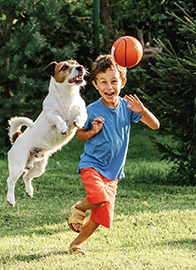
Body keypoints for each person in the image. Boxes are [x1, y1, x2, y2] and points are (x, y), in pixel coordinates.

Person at [67, 55, 160, 255]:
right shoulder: (91, 110)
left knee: (101, 217)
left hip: (113, 173)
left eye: (114, 81)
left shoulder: (128, 107)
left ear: (123, 82)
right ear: (95, 85)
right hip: (92, 165)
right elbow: (80, 135)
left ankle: (76, 244)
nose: (109, 87)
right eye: (103, 82)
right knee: (98, 197)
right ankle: (78, 209)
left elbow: (155, 125)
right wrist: (92, 131)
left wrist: (142, 110)